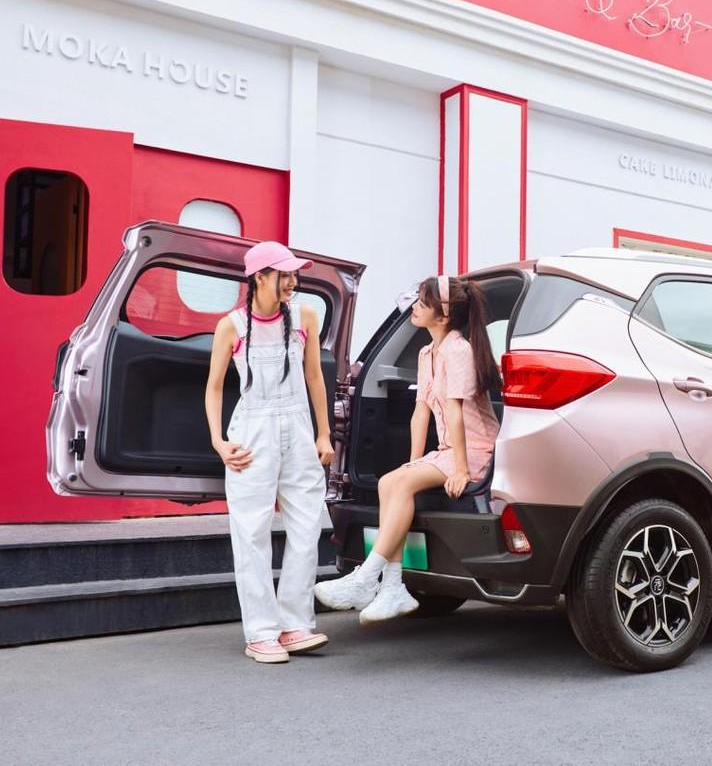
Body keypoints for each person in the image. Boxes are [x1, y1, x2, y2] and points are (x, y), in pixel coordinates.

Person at [315, 274, 500, 623]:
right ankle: (393, 587)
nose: (414, 307)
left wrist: (462, 470)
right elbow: (420, 412)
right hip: (447, 449)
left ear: (443, 316)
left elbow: (456, 412)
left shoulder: (459, 350)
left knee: (398, 483)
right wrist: (413, 465)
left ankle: (367, 577)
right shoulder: (427, 352)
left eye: (422, 303)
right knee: (391, 481)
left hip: (475, 450)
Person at [204, 240, 335, 664]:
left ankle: (295, 624)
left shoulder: (305, 316)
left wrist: (324, 434)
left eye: (294, 274)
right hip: (251, 432)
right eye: (284, 274)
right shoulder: (231, 326)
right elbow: (214, 387)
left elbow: (314, 376)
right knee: (251, 532)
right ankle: (261, 632)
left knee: (307, 525)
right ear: (259, 277)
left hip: (298, 429)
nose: (293, 281)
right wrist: (218, 441)